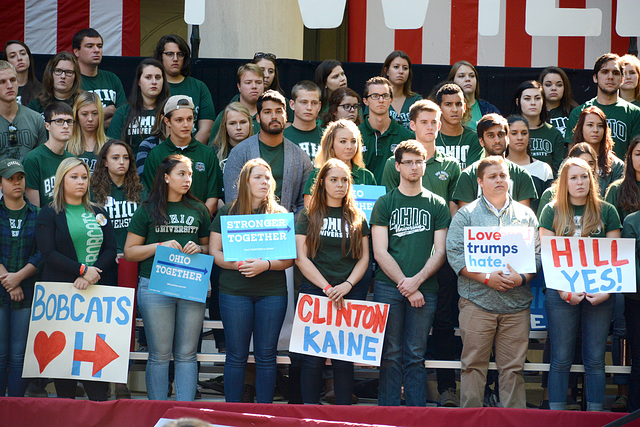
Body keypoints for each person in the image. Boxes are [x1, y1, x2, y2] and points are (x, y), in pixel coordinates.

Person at [381, 100, 461, 406]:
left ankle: (444, 391)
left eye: (435, 121)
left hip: (436, 261)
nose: (431, 126)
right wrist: (404, 278)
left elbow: (453, 216)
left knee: (439, 327)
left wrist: (422, 274)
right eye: (425, 121)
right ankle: (392, 401)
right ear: (412, 124)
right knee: (392, 349)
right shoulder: (394, 164)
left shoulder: (451, 166)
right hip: (397, 262)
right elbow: (389, 210)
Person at [446, 155, 540, 408]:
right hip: (477, 303)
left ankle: (513, 422)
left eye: (503, 175)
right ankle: (470, 420)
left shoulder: (526, 215)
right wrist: (486, 278)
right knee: (473, 367)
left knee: (513, 369)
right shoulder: (465, 215)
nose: (499, 180)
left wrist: (522, 278)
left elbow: (538, 255)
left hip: (516, 306)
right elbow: (455, 253)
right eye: (492, 176)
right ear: (480, 181)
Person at [124, 154, 211, 401]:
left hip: (191, 285)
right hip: (154, 286)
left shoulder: (199, 209)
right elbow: (130, 252)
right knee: (160, 354)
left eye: (190, 174)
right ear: (166, 177)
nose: (187, 179)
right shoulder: (147, 209)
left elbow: (209, 249)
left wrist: (200, 249)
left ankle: (185, 412)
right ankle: (158, 412)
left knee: (187, 353)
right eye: (181, 174)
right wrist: (159, 246)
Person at [371, 140, 450, 406]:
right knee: (390, 353)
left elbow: (440, 252)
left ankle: (418, 415)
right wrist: (407, 285)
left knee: (416, 354)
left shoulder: (437, 204)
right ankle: (388, 414)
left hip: (425, 289)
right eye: (408, 162)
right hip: (387, 287)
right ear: (397, 166)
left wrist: (415, 283)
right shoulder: (384, 203)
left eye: (419, 161)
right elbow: (380, 251)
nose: (414, 166)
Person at [539, 157, 621, 411]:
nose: (579, 182)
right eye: (573, 178)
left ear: (592, 180)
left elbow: (615, 256)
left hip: (600, 294)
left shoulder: (607, 210)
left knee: (595, 360)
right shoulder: (551, 210)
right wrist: (564, 291)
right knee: (561, 359)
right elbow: (547, 255)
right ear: (564, 182)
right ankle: (556, 416)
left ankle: (595, 417)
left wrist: (606, 291)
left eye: (584, 176)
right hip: (561, 294)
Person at [209, 158, 293, 403]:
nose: (264, 181)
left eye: (267, 177)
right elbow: (215, 252)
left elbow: (289, 258)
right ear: (245, 181)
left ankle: (265, 412)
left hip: (272, 293)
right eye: (258, 177)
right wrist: (240, 264)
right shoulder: (228, 211)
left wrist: (264, 265)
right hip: (234, 292)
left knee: (267, 355)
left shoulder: (280, 214)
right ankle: (232, 412)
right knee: (236, 355)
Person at [35, 157, 117, 400]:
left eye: (84, 177)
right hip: (62, 295)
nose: (81, 182)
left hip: (96, 294)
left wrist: (91, 275)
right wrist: (82, 270)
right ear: (61, 181)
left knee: (94, 362)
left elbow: (111, 250)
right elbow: (48, 254)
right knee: (65, 360)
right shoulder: (48, 213)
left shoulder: (99, 211)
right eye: (74, 177)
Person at [295, 158, 370, 404]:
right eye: (334, 180)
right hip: (316, 291)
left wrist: (347, 286)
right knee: (312, 358)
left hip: (349, 293)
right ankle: (309, 414)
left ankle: (343, 415)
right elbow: (301, 258)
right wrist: (326, 288)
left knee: (344, 358)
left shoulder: (358, 217)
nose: (340, 185)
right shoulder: (308, 215)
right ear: (322, 183)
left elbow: (364, 258)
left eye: (344, 180)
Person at [223, 90, 312, 215]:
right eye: (267, 112)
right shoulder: (239, 153)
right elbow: (232, 201)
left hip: (287, 229)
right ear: (258, 118)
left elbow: (305, 205)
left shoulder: (301, 157)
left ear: (286, 116)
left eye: (279, 111)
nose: (274, 116)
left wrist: (290, 226)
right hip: (248, 228)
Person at [142, 95, 222, 217]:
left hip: (199, 226)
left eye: (189, 119)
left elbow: (213, 199)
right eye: (179, 120)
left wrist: (194, 223)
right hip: (164, 225)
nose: (186, 125)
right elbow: (151, 197)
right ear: (167, 121)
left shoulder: (207, 154)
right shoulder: (155, 155)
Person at [0, 158, 41, 397]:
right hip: (6, 289)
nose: (17, 183)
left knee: (19, 355)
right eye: (10, 179)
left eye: (20, 178)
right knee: (1, 354)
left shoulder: (37, 215)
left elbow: (42, 253)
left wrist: (19, 277)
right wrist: (8, 279)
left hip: (26, 292)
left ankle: (14, 408)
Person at [565, 53, 640, 159]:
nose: (610, 77)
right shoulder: (579, 112)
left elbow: (636, 155)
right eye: (605, 72)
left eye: (615, 73)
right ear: (595, 78)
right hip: (587, 173)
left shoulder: (635, 113)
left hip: (623, 174)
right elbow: (573, 156)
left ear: (622, 79)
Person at [452, 114, 537, 208]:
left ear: (507, 138)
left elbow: (524, 217)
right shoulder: (468, 175)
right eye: (490, 136)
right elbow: (465, 217)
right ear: (481, 141)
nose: (497, 140)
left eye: (501, 135)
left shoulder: (521, 174)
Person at [154, 35, 215, 144]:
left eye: (180, 54)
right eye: (170, 54)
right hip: (158, 150)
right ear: (160, 56)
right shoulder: (153, 86)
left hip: (192, 151)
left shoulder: (199, 87)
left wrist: (187, 151)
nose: (175, 59)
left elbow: (206, 130)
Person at [303, 119, 376, 205]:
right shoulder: (316, 175)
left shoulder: (367, 176)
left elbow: (375, 212)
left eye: (353, 141)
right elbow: (309, 212)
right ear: (331, 144)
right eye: (343, 141)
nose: (349, 146)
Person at [107, 58, 170, 156]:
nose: (154, 82)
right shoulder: (123, 112)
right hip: (131, 169)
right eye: (148, 77)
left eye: (158, 77)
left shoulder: (170, 112)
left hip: (163, 168)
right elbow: (111, 148)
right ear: (139, 81)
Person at [360, 76, 414, 184]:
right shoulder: (355, 135)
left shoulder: (407, 137)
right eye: (375, 96)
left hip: (395, 198)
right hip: (363, 198)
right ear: (365, 101)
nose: (381, 100)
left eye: (385, 96)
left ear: (391, 100)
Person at [72, 28, 126, 128]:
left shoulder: (112, 78)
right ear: (76, 52)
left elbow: (123, 117)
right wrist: (105, 112)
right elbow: (71, 120)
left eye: (99, 46)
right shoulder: (71, 80)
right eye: (90, 46)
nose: (96, 50)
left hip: (110, 140)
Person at [23, 102, 74, 207]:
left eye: (69, 121)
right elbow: (34, 208)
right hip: (44, 221)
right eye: (59, 121)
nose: (65, 126)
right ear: (47, 125)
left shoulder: (72, 160)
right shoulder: (33, 159)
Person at [510, 80, 565, 174]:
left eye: (537, 98)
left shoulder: (554, 134)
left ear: (543, 101)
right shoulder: (507, 129)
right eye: (527, 98)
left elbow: (558, 173)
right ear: (518, 102)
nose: (533, 103)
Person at [505, 115, 554, 214]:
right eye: (514, 133)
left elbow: (549, 205)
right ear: (506, 136)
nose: (519, 137)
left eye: (524, 133)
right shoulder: (499, 168)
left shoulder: (543, 168)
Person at [572, 105, 624, 197]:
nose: (595, 130)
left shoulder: (617, 166)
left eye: (600, 126)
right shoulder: (569, 162)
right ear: (581, 128)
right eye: (590, 125)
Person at [0, 60, 46, 161]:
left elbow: (41, 161)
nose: (9, 86)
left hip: (28, 176)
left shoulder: (36, 119)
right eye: (2, 82)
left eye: (12, 80)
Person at [537, 142, 599, 217]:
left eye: (591, 164)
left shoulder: (597, 195)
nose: (587, 167)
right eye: (582, 163)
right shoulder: (549, 194)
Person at [431, 82, 483, 169]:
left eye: (458, 104)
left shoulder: (473, 138)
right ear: (439, 108)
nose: (454, 109)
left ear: (464, 107)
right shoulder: (431, 137)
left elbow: (470, 175)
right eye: (448, 104)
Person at [209, 64, 264, 139]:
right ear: (239, 87)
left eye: (258, 82)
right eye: (248, 82)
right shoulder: (225, 115)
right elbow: (214, 148)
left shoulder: (269, 115)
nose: (254, 86)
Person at [622, 205, 640, 412]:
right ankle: (634, 417)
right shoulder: (632, 221)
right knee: (639, 362)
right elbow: (630, 263)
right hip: (636, 301)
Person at [448, 60, 500, 130]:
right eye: (461, 76)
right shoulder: (442, 109)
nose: (467, 79)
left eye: (472, 76)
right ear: (452, 81)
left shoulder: (489, 109)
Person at [66, 91, 108, 174]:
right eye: (84, 114)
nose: (90, 119)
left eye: (95, 113)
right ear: (76, 116)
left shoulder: (110, 146)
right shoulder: (66, 146)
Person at [380, 51, 422, 129]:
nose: (401, 71)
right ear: (387, 71)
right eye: (396, 67)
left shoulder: (417, 100)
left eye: (405, 68)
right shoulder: (376, 98)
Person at [283, 80, 323, 162]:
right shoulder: (281, 138)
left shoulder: (328, 137)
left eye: (314, 103)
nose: (309, 107)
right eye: (304, 102)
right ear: (292, 105)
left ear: (319, 106)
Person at [210, 102, 253, 172]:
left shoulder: (259, 149)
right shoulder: (213, 153)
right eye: (232, 123)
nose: (238, 128)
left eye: (243, 122)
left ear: (250, 124)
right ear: (225, 127)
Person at [539, 66, 578, 138]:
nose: (553, 88)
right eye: (548, 85)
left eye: (559, 85)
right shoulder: (534, 113)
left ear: (565, 88)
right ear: (541, 87)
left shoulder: (576, 113)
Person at [2, 41, 42, 107]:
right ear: (6, 62)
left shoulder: (43, 91)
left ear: (29, 58)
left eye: (23, 53)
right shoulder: (3, 90)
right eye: (13, 56)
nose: (19, 58)